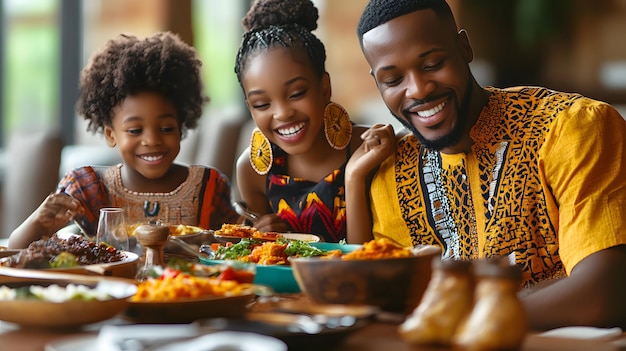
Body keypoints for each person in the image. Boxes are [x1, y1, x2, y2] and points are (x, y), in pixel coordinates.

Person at [346, 0, 626, 330]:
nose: (418, 89)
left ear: (464, 47)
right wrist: (353, 178)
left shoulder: (571, 127)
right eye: (393, 80)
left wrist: (461, 320)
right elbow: (381, 298)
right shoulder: (391, 170)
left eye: (433, 63)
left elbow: (605, 292)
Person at [8, 32, 240, 249]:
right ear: (111, 134)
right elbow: (15, 250)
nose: (152, 140)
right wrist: (37, 221)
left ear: (181, 127)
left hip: (195, 291)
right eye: (135, 130)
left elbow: (241, 246)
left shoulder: (209, 187)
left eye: (166, 128)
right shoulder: (88, 189)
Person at [233, 0, 369, 242]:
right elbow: (262, 260)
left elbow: (373, 254)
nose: (283, 113)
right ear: (250, 108)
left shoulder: (366, 148)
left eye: (296, 94)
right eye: (262, 104)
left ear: (324, 88)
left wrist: (355, 176)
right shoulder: (252, 170)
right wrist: (262, 237)